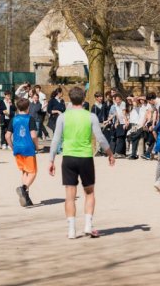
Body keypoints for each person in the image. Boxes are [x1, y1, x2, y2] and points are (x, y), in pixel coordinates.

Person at [48, 87, 115, 239]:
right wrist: (110, 153)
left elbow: (55, 140)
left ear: (70, 100)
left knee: (70, 196)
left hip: (69, 157)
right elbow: (100, 137)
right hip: (85, 157)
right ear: (84, 98)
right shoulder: (91, 116)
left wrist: (51, 160)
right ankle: (88, 225)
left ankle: (71, 230)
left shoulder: (63, 117)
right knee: (89, 193)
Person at [6, 97, 40, 207]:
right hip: (28, 148)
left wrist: (12, 147)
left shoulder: (13, 119)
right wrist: (37, 146)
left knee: (25, 172)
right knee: (33, 172)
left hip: (18, 148)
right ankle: (23, 188)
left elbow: (7, 136)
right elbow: (33, 135)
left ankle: (26, 198)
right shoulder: (30, 119)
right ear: (28, 108)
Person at [91, 91, 111, 157]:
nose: (101, 98)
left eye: (101, 97)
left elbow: (107, 113)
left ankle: (104, 151)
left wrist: (107, 120)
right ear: (96, 98)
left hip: (104, 123)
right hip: (97, 123)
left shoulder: (104, 105)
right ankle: (98, 151)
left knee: (104, 137)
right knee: (98, 138)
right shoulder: (94, 107)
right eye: (99, 97)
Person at [109, 93, 128, 158]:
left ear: (120, 99)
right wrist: (117, 121)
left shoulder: (123, 103)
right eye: (115, 100)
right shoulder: (116, 105)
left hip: (123, 122)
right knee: (120, 137)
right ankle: (122, 153)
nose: (117, 101)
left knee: (121, 137)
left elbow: (124, 113)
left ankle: (118, 152)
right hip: (119, 122)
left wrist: (125, 122)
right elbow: (117, 113)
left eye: (118, 100)